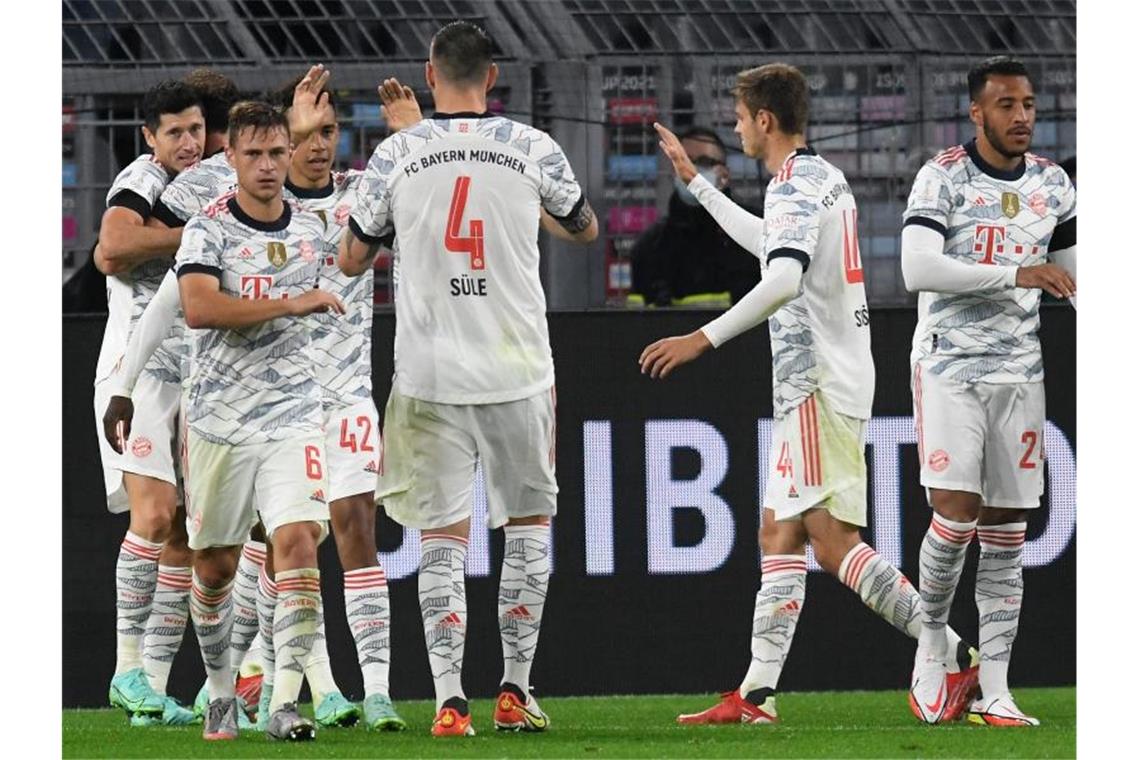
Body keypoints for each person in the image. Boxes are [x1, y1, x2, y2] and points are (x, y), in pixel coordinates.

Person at [640, 62, 978, 726]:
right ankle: (757, 695)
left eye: (740, 117)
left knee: (828, 538)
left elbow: (783, 280)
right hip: (825, 377)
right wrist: (697, 185)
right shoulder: (818, 179)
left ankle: (952, 649)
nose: (735, 127)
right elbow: (773, 247)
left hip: (820, 381)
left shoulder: (794, 186)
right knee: (780, 531)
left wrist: (700, 339)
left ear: (764, 120)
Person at [338, 21, 598, 737]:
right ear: (492, 78)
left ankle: (450, 700)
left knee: (442, 540)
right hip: (518, 369)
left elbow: (352, 258)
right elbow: (584, 229)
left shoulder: (398, 152)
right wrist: (521, 209)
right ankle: (514, 689)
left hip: (428, 374)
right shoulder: (531, 147)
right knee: (528, 527)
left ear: (430, 74)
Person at [900, 55, 1076, 727]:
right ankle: (932, 652)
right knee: (955, 512)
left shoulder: (1053, 187)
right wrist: (1014, 276)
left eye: (1028, 104)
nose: (1022, 116)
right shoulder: (942, 175)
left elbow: (1074, 275)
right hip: (949, 368)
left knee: (1007, 529)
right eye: (1006, 105)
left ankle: (996, 689)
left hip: (1019, 377)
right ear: (977, 113)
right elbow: (917, 267)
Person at [174, 100, 344, 742]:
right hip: (219, 420)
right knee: (213, 565)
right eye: (255, 155)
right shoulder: (207, 230)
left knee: (297, 542)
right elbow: (198, 308)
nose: (269, 166)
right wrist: (288, 302)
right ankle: (221, 691)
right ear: (232, 160)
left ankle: (283, 699)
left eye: (277, 152)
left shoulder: (311, 229)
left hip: (293, 413)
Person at [91, 79, 205, 726]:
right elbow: (112, 247)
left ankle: (152, 693)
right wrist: (193, 235)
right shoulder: (142, 179)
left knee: (187, 528)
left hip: (186, 373)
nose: (187, 143)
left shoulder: (202, 177)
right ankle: (124, 670)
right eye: (174, 133)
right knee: (155, 515)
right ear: (150, 138)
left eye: (195, 130)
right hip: (134, 375)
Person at [630, 127, 760, 307]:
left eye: (704, 162)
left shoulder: (755, 231)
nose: (692, 169)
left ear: (724, 175)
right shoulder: (649, 247)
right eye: (684, 160)